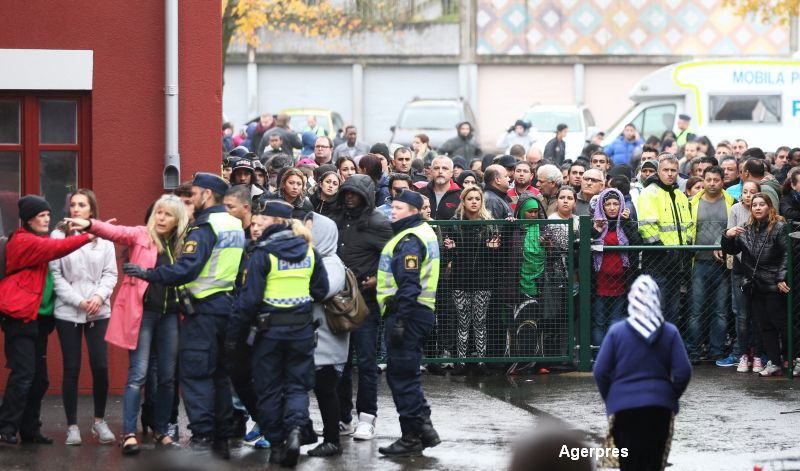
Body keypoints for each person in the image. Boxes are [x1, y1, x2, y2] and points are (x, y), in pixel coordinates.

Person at [122, 173, 244, 458]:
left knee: (196, 373)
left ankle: (203, 433)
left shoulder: (205, 226)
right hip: (226, 305)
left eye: (197, 192)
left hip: (201, 309)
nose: (193, 198)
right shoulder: (234, 224)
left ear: (208, 194)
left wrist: (149, 274)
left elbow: (186, 269)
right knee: (220, 375)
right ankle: (223, 434)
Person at [66, 195, 188, 453]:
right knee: (138, 375)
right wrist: (90, 224)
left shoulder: (183, 243)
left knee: (167, 378)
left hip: (170, 316)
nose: (161, 218)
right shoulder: (141, 235)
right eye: (158, 213)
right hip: (143, 314)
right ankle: (129, 434)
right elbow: (115, 231)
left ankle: (162, 432)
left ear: (178, 218)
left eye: (167, 214)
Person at [226, 201, 328, 467]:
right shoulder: (310, 251)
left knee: (268, 388)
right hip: (302, 330)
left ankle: (278, 441)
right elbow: (321, 289)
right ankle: (295, 431)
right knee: (296, 386)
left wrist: (234, 337)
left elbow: (248, 302)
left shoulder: (263, 253)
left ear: (274, 223)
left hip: (269, 331)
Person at [0, 195, 93, 445]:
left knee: (39, 379)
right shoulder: (22, 241)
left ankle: (30, 429)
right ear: (29, 219)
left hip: (38, 321)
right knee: (23, 374)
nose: (46, 219)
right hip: (20, 318)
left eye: (48, 215)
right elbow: (55, 249)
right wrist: (88, 236)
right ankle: (6, 427)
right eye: (41, 215)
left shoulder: (38, 239)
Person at [593, 275, 692, 471]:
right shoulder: (669, 332)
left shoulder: (617, 331)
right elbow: (683, 372)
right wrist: (669, 395)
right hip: (660, 409)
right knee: (653, 462)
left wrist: (612, 398)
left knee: (629, 463)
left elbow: (601, 371)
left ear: (632, 299)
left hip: (624, 409)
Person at [376, 190, 441, 456]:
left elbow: (409, 282)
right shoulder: (420, 232)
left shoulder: (410, 239)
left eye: (400, 208)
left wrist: (401, 318)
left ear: (413, 211)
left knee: (402, 376)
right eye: (393, 206)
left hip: (408, 314)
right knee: (405, 374)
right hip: (417, 313)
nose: (393, 211)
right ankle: (415, 432)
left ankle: (420, 431)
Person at [50, 190, 117, 446]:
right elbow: (56, 277)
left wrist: (98, 297)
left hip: (98, 311)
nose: (76, 209)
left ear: (91, 210)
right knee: (72, 367)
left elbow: (110, 274)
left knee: (100, 366)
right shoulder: (58, 236)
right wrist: (79, 301)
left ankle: (99, 421)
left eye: (82, 205)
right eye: (73, 205)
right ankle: (72, 426)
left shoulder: (104, 237)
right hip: (68, 310)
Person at [329, 174, 393, 441]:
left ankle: (367, 417)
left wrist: (379, 278)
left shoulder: (379, 222)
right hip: (337, 302)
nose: (349, 197)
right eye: (346, 193)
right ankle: (343, 417)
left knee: (366, 363)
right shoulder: (336, 219)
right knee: (338, 364)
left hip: (365, 303)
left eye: (354, 193)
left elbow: (392, 255)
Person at [721, 193, 789, 377]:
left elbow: (787, 254)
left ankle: (793, 358)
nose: (758, 208)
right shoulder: (747, 229)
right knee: (764, 326)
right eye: (754, 205)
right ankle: (774, 362)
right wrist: (727, 235)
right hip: (755, 285)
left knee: (782, 324)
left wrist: (782, 277)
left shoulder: (780, 227)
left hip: (775, 284)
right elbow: (730, 249)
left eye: (761, 204)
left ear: (769, 207)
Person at [442, 186, 500, 375]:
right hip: (460, 279)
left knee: (480, 321)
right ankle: (461, 361)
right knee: (463, 321)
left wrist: (492, 250)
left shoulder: (489, 223)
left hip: (483, 279)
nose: (474, 201)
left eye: (477, 198)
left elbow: (495, 257)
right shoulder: (454, 222)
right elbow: (450, 255)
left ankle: (481, 361)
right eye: (470, 198)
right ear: (463, 201)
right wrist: (451, 249)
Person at [307, 213, 349, 458]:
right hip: (317, 336)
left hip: (326, 339)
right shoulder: (318, 259)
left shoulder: (330, 262)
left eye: (311, 228)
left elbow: (324, 291)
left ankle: (332, 440)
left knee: (325, 389)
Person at [687, 166, 734, 363]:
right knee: (696, 311)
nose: (712, 183)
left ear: (722, 181)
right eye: (709, 180)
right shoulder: (692, 203)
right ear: (703, 180)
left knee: (721, 311)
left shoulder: (732, 202)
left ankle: (716, 350)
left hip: (723, 265)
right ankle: (694, 352)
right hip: (698, 262)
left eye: (716, 179)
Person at [637, 154, 692, 324]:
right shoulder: (650, 193)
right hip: (657, 260)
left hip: (677, 259)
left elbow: (688, 226)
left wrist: (687, 247)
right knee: (656, 309)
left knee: (672, 310)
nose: (669, 174)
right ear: (659, 171)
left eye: (673, 170)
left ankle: (667, 346)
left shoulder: (680, 195)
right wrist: (661, 249)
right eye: (666, 170)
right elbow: (646, 225)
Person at [591, 189, 641, 348]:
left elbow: (637, 244)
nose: (612, 208)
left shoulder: (627, 223)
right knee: (599, 322)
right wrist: (594, 231)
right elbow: (585, 248)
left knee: (615, 321)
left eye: (616, 203)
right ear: (602, 206)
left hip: (621, 284)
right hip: (599, 284)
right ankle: (598, 356)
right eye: (608, 204)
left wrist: (627, 223)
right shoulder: (595, 224)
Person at [723, 181, 765, 373]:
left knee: (758, 315)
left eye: (753, 192)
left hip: (762, 270)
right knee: (742, 315)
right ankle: (742, 354)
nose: (748, 196)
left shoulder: (764, 213)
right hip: (741, 268)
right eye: (745, 192)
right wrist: (728, 235)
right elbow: (730, 242)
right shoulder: (735, 210)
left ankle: (757, 354)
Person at [418, 156, 463, 221]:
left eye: (445, 168)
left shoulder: (461, 195)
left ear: (451, 173)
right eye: (436, 168)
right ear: (431, 171)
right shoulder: (420, 193)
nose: (440, 171)